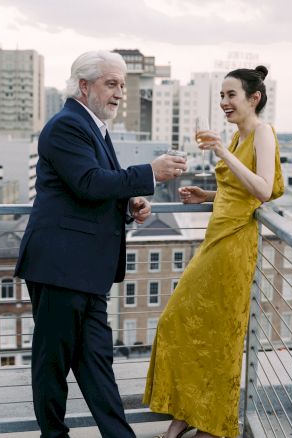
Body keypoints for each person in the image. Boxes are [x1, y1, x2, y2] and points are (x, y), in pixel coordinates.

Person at [15, 50, 188, 438]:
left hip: (88, 273)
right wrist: (150, 173)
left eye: (123, 85)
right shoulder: (65, 126)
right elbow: (88, 182)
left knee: (97, 363)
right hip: (60, 268)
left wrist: (129, 204)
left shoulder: (95, 127)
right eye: (112, 84)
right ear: (84, 85)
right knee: (52, 364)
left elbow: (94, 192)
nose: (120, 93)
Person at [143, 66, 284, 438]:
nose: (224, 102)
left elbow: (263, 190)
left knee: (220, 333)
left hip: (236, 243)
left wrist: (220, 149)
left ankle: (211, 419)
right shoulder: (239, 137)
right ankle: (189, 411)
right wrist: (208, 195)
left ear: (254, 98)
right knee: (181, 323)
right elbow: (238, 192)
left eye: (231, 95)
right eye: (221, 96)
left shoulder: (262, 133)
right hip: (218, 237)